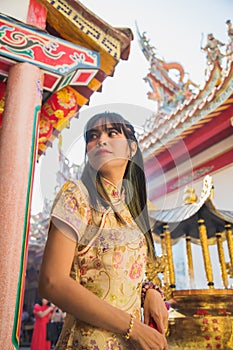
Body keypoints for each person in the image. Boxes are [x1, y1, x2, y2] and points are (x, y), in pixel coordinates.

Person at [39, 112, 169, 350]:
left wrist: (149, 292)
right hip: (87, 343)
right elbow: (52, 281)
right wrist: (134, 327)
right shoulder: (77, 195)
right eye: (93, 136)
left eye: (112, 133)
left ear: (131, 149)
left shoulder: (132, 215)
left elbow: (129, 277)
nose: (101, 140)